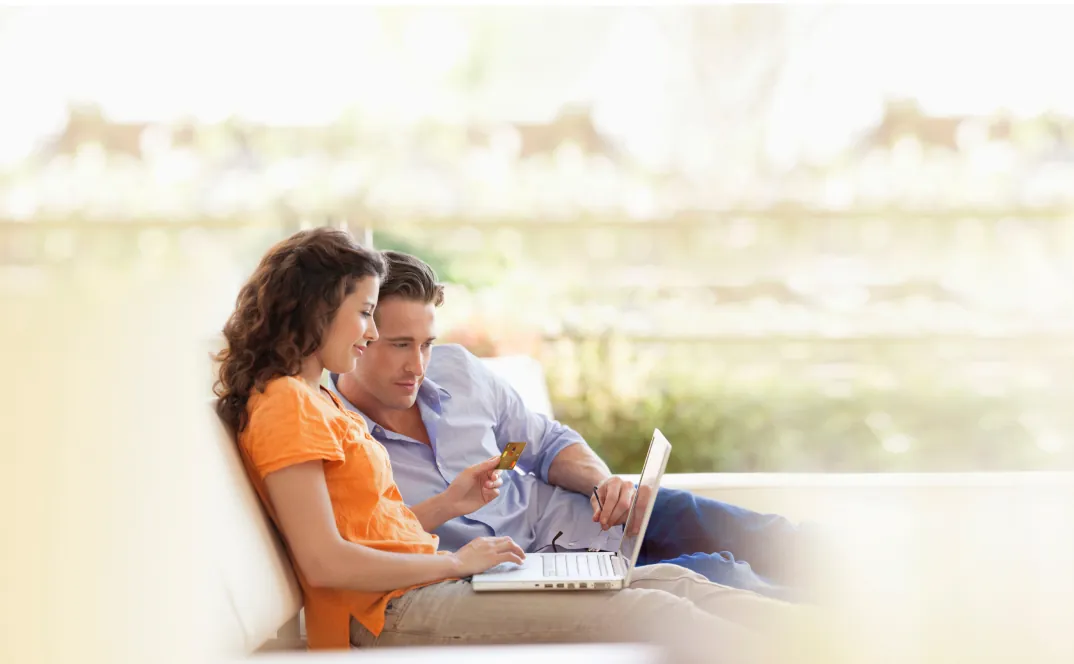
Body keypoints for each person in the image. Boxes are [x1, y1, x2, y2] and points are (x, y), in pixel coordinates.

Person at [212, 227, 826, 662]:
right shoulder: (289, 404)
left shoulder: (311, 398)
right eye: (366, 315)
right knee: (659, 606)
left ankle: (848, 643)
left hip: (430, 581)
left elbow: (369, 528)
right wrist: (457, 561)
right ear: (317, 312)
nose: (370, 333)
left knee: (675, 582)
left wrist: (451, 504)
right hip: (391, 608)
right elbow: (325, 562)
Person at [329, 250, 826, 603]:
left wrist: (603, 484)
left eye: (426, 344)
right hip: (534, 570)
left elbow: (542, 444)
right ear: (359, 334)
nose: (418, 365)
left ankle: (867, 581)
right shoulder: (338, 433)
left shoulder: (456, 370)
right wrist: (448, 506)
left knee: (764, 534)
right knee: (725, 575)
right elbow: (367, 542)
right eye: (400, 345)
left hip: (586, 514)